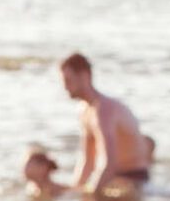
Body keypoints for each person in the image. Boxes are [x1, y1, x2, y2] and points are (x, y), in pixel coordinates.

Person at [59, 52, 149, 193]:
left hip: (133, 179)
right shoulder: (85, 110)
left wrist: (92, 193)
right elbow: (87, 161)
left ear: (84, 76)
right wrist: (73, 191)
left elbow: (109, 163)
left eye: (68, 81)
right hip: (114, 179)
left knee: (93, 200)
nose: (65, 87)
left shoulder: (104, 109)